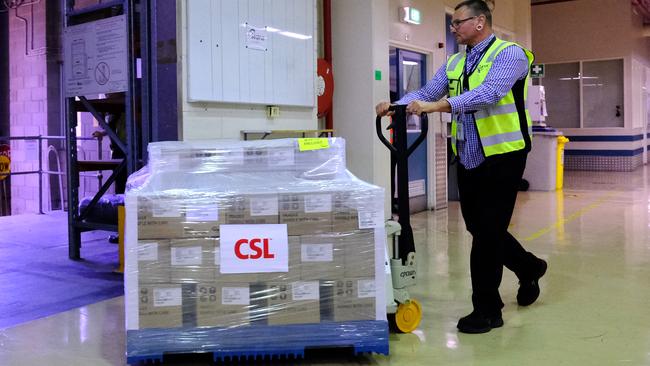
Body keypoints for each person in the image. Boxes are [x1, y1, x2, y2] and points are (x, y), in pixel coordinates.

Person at [376, 0, 547, 334]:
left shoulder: (510, 54)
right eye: (453, 24)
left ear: (479, 22)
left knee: (486, 232)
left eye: (458, 23)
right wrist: (394, 103)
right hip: (468, 153)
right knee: (481, 228)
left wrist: (438, 106)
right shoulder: (455, 62)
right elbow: (427, 91)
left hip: (504, 154)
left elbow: (490, 93)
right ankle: (529, 267)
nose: (453, 28)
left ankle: (487, 309)